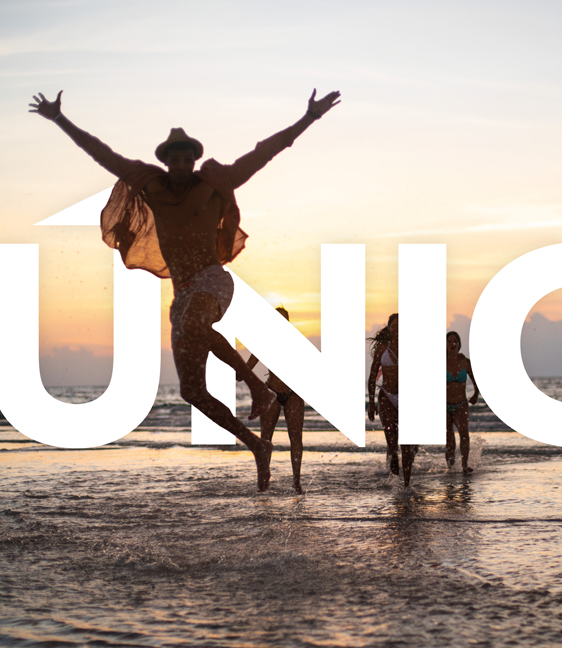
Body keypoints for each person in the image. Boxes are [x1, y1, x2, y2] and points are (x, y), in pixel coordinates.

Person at [29, 88, 340, 492]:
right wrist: (59, 119)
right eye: (172, 158)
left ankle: (256, 387)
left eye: (185, 157)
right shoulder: (151, 185)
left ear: (194, 159)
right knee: (191, 390)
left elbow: (266, 152)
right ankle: (256, 448)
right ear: (165, 160)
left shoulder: (214, 182)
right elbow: (102, 154)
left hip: (212, 280)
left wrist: (309, 116)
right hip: (182, 294)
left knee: (196, 321)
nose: (178, 163)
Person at [239, 306, 307, 494]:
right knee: (266, 438)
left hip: (294, 393)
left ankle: (297, 482)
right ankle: (263, 479)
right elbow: (246, 368)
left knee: (296, 439)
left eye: (284, 319)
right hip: (272, 392)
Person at [367, 314, 418, 487]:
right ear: (389, 328)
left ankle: (407, 484)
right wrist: (371, 403)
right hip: (387, 396)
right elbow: (373, 376)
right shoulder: (383, 349)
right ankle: (393, 456)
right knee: (391, 438)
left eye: (400, 326)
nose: (396, 329)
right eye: (393, 326)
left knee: (407, 443)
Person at [445, 331, 479, 473]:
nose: (453, 344)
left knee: (464, 434)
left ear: (459, 344)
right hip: (444, 406)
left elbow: (477, 381)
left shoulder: (465, 362)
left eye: (455, 341)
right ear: (445, 344)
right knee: (449, 440)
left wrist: (476, 394)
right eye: (450, 341)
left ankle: (464, 465)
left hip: (461, 405)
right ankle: (451, 468)